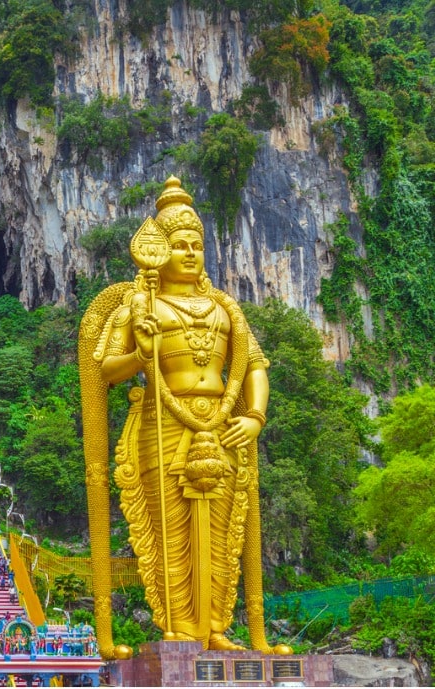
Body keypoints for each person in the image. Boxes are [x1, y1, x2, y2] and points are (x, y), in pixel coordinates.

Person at [81, 177, 290, 657]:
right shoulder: (140, 304)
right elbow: (105, 370)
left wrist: (254, 415)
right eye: (179, 245)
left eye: (197, 245)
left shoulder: (225, 308)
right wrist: (140, 352)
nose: (191, 253)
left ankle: (218, 627)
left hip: (221, 423)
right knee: (168, 528)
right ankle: (178, 627)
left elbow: (254, 364)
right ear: (159, 252)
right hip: (163, 421)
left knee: (223, 530)